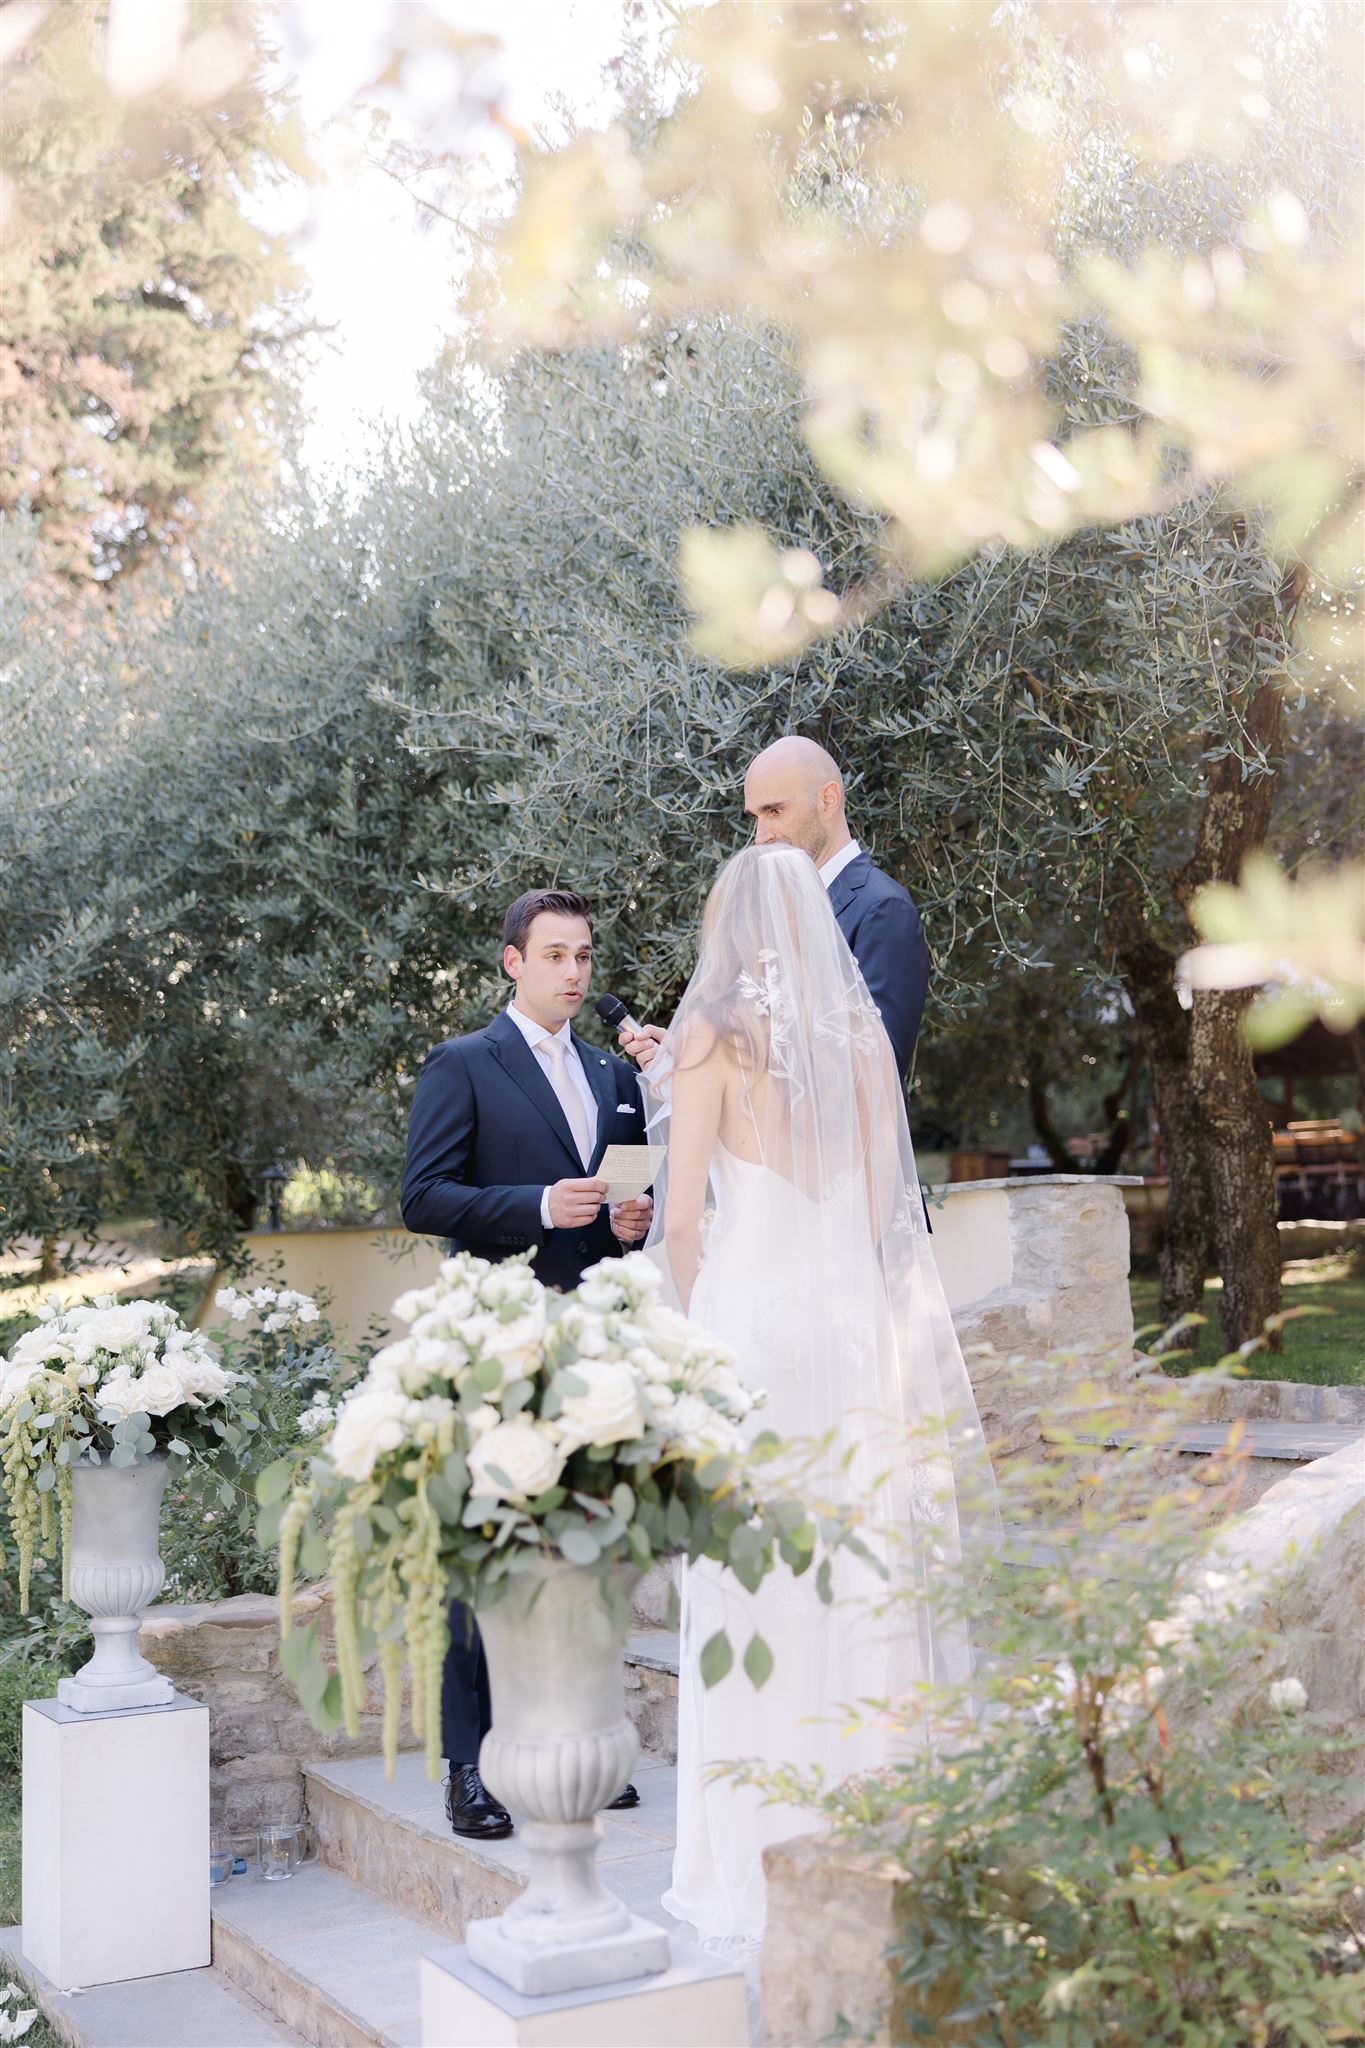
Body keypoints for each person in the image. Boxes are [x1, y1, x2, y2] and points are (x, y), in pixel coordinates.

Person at [644, 844, 993, 1952]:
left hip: (752, 1323)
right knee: (863, 1551)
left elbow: (683, 1218)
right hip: (853, 1325)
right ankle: (887, 1824)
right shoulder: (860, 1042)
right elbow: (887, 1213)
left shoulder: (710, 1036)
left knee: (752, 1571)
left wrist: (687, 1330)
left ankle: (760, 1853)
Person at [400, 887, 651, 1839]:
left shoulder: (610, 1074)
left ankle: (578, 1727)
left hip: (597, 1345)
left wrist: (635, 1220)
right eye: (555, 955)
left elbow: (625, 1198)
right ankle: (469, 1764)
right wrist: (538, 1205)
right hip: (499, 1343)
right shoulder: (465, 1063)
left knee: (590, 1542)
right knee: (489, 1551)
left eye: (584, 956)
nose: (574, 973)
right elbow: (424, 1196)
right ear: (513, 961)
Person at [618, 736, 930, 1083]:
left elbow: (877, 1074)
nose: (761, 835)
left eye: (775, 811)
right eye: (756, 816)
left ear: (828, 800)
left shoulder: (882, 909)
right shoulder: (774, 910)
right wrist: (696, 1059)